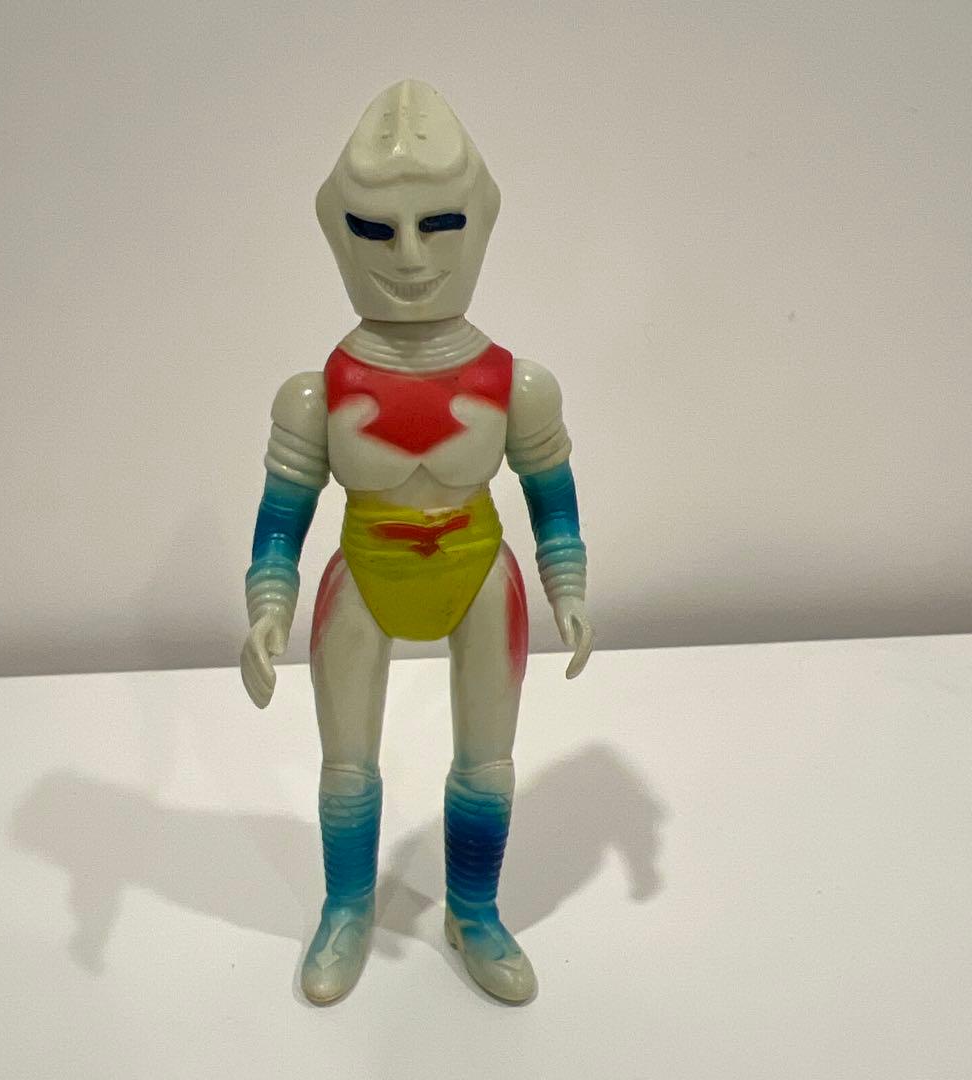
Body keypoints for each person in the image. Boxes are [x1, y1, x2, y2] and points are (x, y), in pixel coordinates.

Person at [241, 79, 592, 1004]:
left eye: (438, 223)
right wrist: (269, 606)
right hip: (362, 575)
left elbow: (553, 500)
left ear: (480, 222)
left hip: (480, 578)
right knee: (346, 765)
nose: (407, 255)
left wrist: (569, 586)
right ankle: (346, 906)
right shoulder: (313, 396)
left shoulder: (521, 386)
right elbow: (281, 519)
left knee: (487, 763)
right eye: (376, 229)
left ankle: (473, 909)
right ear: (338, 231)